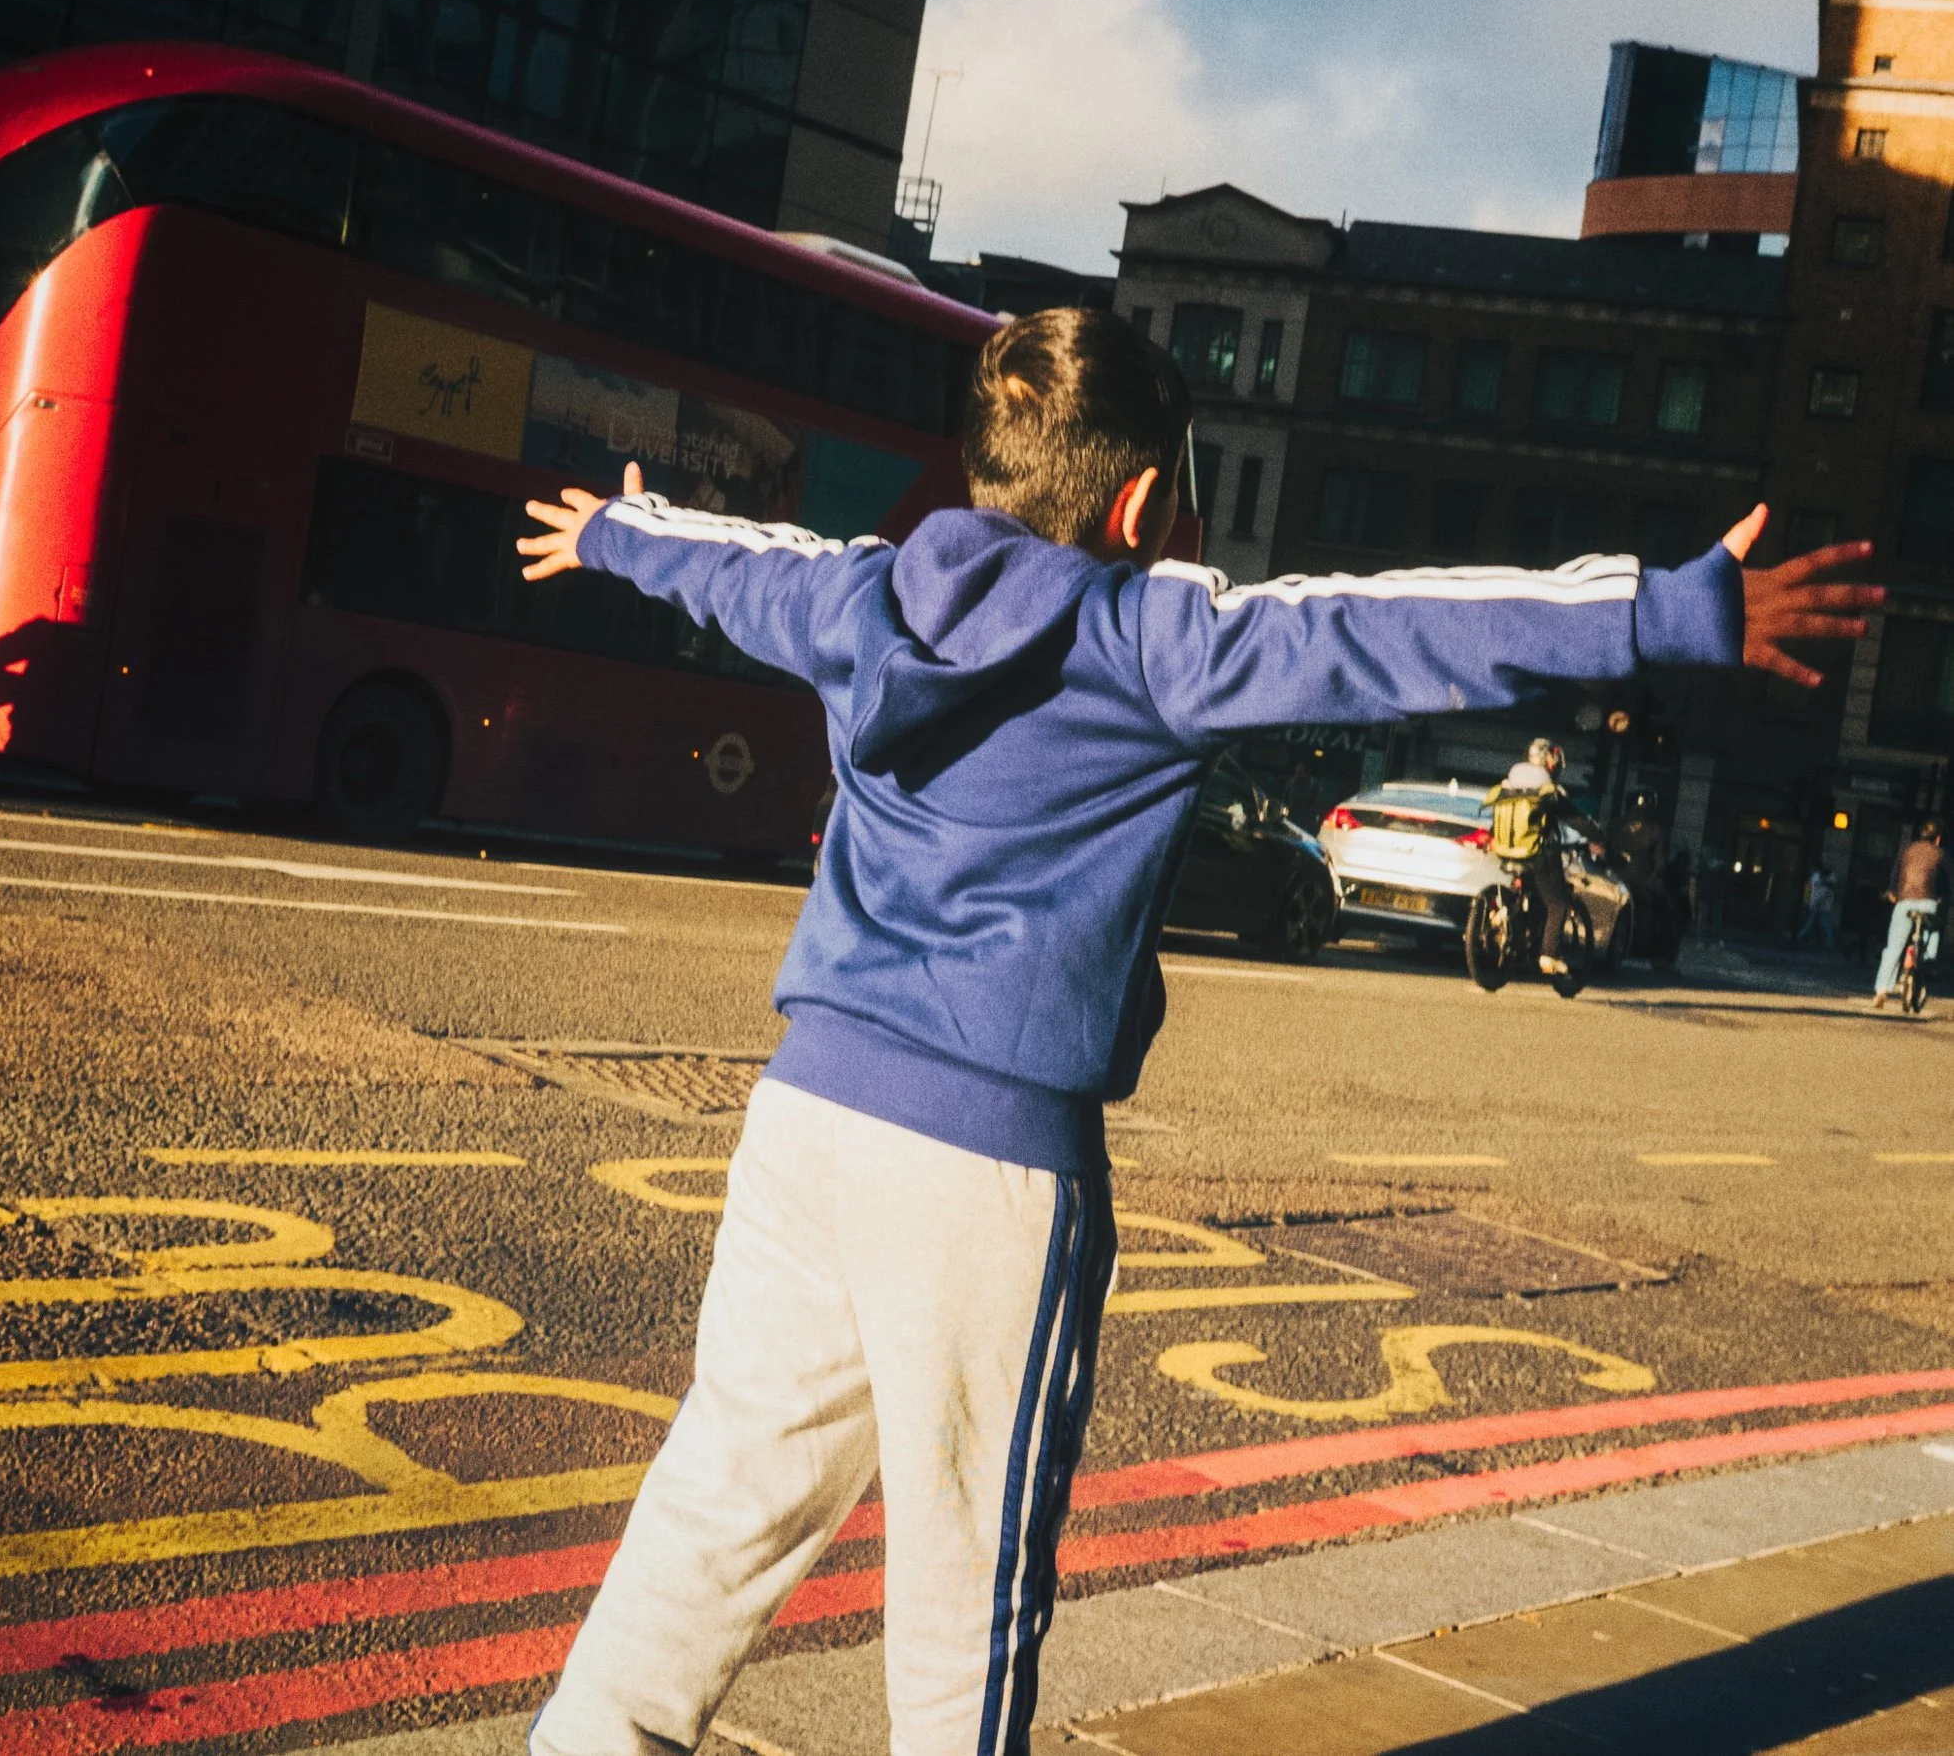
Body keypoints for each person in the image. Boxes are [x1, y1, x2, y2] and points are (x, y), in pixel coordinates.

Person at [513, 306, 1883, 1756]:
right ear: (1140, 504)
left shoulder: (865, 597)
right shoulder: (1149, 634)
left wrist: (617, 529)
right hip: (987, 1160)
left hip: (808, 1114)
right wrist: (1667, 608)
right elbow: (1385, 626)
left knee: (721, 1495)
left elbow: (742, 565)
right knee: (964, 1601)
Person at [1483, 737, 1580, 976]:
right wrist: (1598, 838)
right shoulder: (1548, 791)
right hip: (1537, 853)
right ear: (1550, 761)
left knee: (1531, 892)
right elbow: (1575, 818)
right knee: (1557, 903)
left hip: (1506, 849)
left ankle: (1507, 918)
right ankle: (1548, 954)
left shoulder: (1509, 784)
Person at [1872, 818, 1945, 1007]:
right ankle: (1927, 963)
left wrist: (1893, 892)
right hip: (1928, 902)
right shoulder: (1940, 854)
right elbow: (1946, 881)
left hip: (1904, 902)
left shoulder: (1906, 850)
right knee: (1932, 933)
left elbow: (1895, 874)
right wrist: (1943, 898)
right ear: (1937, 839)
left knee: (1893, 947)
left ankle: (1882, 989)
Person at [1795, 863, 1840, 951]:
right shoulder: (1822, 877)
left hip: (1819, 904)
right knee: (1821, 922)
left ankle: (1801, 935)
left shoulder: (1820, 877)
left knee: (1815, 921)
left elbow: (1815, 890)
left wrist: (1809, 901)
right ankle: (1827, 941)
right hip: (1820, 904)